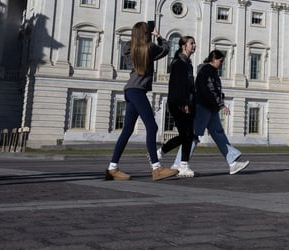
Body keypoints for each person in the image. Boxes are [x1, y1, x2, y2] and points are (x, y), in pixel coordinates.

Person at [105, 21, 177, 181]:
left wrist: (137, 37)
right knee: (152, 127)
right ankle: (156, 168)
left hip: (130, 90)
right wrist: (158, 36)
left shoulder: (130, 49)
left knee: (127, 130)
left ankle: (112, 168)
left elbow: (128, 46)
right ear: (147, 34)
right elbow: (166, 49)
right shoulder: (149, 48)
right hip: (137, 91)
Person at [188, 50, 250, 175]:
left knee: (218, 134)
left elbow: (212, 90)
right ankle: (179, 163)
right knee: (193, 136)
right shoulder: (207, 70)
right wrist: (221, 104)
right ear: (213, 59)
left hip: (211, 107)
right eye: (220, 61)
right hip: (203, 106)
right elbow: (209, 89)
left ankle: (232, 162)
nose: (222, 64)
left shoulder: (211, 71)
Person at [161, 35, 197, 178]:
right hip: (178, 103)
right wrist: (184, 104)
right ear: (184, 46)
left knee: (187, 135)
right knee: (186, 135)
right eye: (191, 43)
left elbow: (189, 86)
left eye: (194, 43)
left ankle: (178, 162)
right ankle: (181, 165)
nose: (194, 46)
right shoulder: (179, 63)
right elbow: (178, 86)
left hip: (186, 102)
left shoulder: (188, 63)